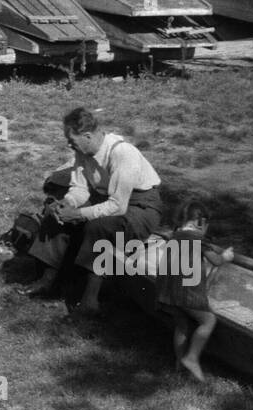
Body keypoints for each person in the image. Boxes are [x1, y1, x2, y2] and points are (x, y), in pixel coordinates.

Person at [37, 107, 165, 313]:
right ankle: (48, 281)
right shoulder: (83, 151)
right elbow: (80, 187)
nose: (69, 144)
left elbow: (118, 206)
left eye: (72, 140)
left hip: (141, 207)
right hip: (109, 199)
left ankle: (90, 301)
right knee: (57, 214)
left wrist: (79, 214)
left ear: (87, 136)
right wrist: (68, 203)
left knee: (99, 227)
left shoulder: (122, 153)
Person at [157, 202, 234, 381]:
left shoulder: (174, 236)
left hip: (167, 289)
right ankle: (191, 357)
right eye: (206, 226)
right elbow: (215, 260)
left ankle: (179, 363)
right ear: (201, 222)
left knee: (181, 324)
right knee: (208, 320)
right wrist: (225, 256)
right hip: (186, 292)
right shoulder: (198, 240)